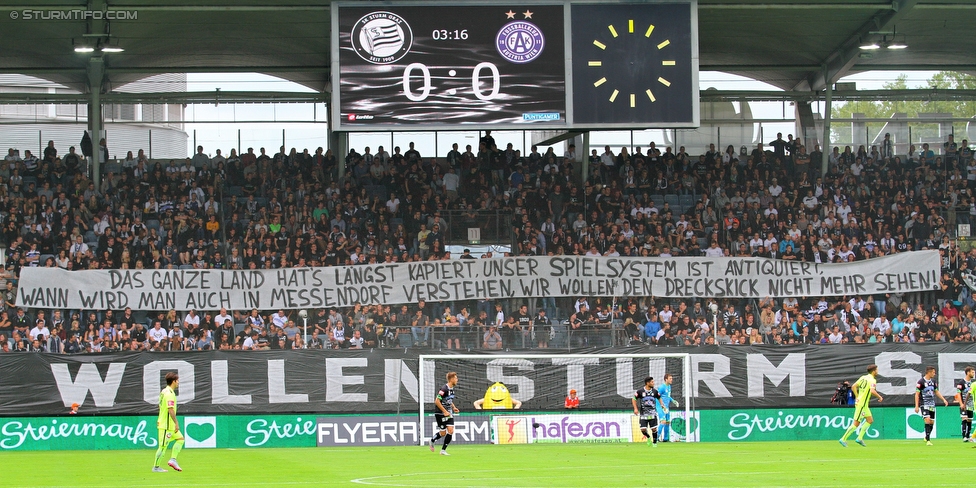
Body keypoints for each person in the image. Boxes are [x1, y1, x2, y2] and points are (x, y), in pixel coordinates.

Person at [839, 364, 883, 447]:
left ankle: (859, 438)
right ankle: (843, 439)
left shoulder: (863, 377)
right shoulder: (872, 380)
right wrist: (879, 397)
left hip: (863, 404)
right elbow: (872, 391)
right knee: (856, 423)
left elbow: (854, 386)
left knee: (870, 420)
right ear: (873, 371)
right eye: (877, 370)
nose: (877, 371)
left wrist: (857, 396)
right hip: (862, 404)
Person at [152, 372, 184, 472]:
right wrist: (176, 423)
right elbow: (170, 410)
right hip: (166, 425)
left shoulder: (164, 391)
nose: (178, 382)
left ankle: (173, 459)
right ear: (173, 381)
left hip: (168, 424)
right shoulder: (169, 394)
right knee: (163, 446)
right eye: (177, 380)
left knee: (180, 439)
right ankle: (156, 467)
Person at [915, 366, 949, 445]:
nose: (934, 374)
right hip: (924, 404)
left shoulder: (933, 382)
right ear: (929, 372)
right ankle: (928, 440)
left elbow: (936, 392)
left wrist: (943, 399)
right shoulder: (921, 382)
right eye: (933, 372)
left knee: (931, 422)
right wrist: (917, 406)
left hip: (932, 404)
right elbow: (917, 394)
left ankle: (926, 437)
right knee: (927, 419)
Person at [429, 371, 460, 456]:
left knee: (450, 430)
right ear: (452, 379)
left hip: (448, 412)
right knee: (443, 433)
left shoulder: (452, 389)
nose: (457, 380)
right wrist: (444, 411)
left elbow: (449, 400)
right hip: (440, 413)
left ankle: (443, 450)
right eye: (456, 378)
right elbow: (437, 401)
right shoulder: (444, 389)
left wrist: (453, 407)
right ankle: (432, 440)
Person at [632, 376, 661, 447]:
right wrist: (635, 408)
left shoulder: (655, 391)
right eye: (652, 382)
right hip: (643, 414)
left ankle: (654, 443)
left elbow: (659, 397)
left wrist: (662, 405)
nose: (653, 383)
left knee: (654, 429)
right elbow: (633, 398)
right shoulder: (640, 391)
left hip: (653, 414)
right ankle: (648, 437)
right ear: (647, 383)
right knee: (643, 430)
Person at [657, 373, 680, 442]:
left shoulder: (669, 387)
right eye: (670, 378)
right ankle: (656, 438)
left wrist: (673, 401)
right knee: (663, 422)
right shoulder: (662, 387)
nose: (671, 380)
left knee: (667, 422)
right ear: (666, 379)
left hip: (667, 407)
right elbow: (656, 397)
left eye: (672, 378)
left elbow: (668, 396)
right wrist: (662, 406)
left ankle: (665, 439)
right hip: (661, 407)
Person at [954, 366, 974, 442]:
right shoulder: (961, 382)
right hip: (964, 405)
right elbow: (958, 394)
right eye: (972, 372)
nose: (973, 373)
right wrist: (961, 404)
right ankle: (964, 437)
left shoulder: (972, 383)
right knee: (964, 419)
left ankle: (968, 436)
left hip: (971, 405)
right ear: (968, 373)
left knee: (969, 420)